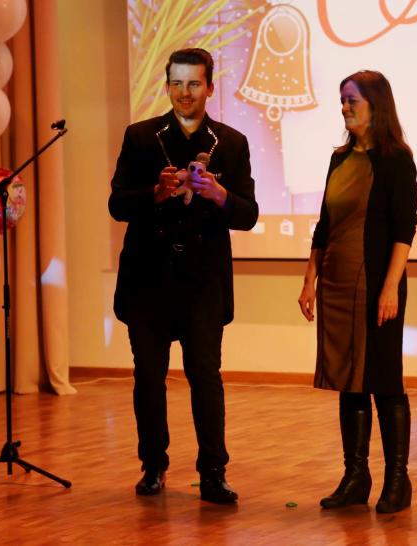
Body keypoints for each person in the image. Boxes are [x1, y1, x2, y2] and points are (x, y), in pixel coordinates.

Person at [109, 48, 258, 502]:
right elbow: (117, 204)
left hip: (202, 281)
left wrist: (219, 194)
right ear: (167, 85)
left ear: (210, 87)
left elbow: (249, 214)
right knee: (148, 376)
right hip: (148, 279)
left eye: (194, 83)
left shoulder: (230, 142)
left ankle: (213, 471)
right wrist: (155, 193)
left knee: (205, 375)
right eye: (176, 83)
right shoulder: (140, 136)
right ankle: (153, 465)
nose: (184, 93)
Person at [297, 70, 417, 514]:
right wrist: (309, 279)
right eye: (342, 100)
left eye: (353, 100)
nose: (345, 107)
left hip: (376, 284)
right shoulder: (339, 158)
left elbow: (404, 229)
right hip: (337, 282)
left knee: (384, 381)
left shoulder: (396, 159)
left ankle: (398, 480)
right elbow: (324, 225)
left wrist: (390, 288)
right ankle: (356, 476)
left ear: (376, 105)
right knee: (349, 382)